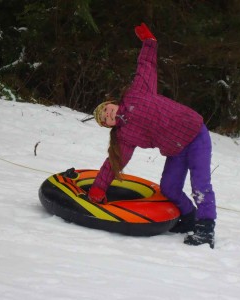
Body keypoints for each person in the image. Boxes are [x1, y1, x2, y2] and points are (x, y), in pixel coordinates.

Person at [88, 23, 217, 248]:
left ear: (113, 103)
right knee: (169, 187)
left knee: (200, 184)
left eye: (106, 110)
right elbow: (114, 162)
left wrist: (149, 42)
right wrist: (99, 187)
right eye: (105, 119)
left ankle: (206, 228)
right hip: (176, 150)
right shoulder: (124, 136)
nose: (108, 115)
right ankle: (189, 217)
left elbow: (145, 65)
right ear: (109, 125)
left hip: (195, 134)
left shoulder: (137, 91)